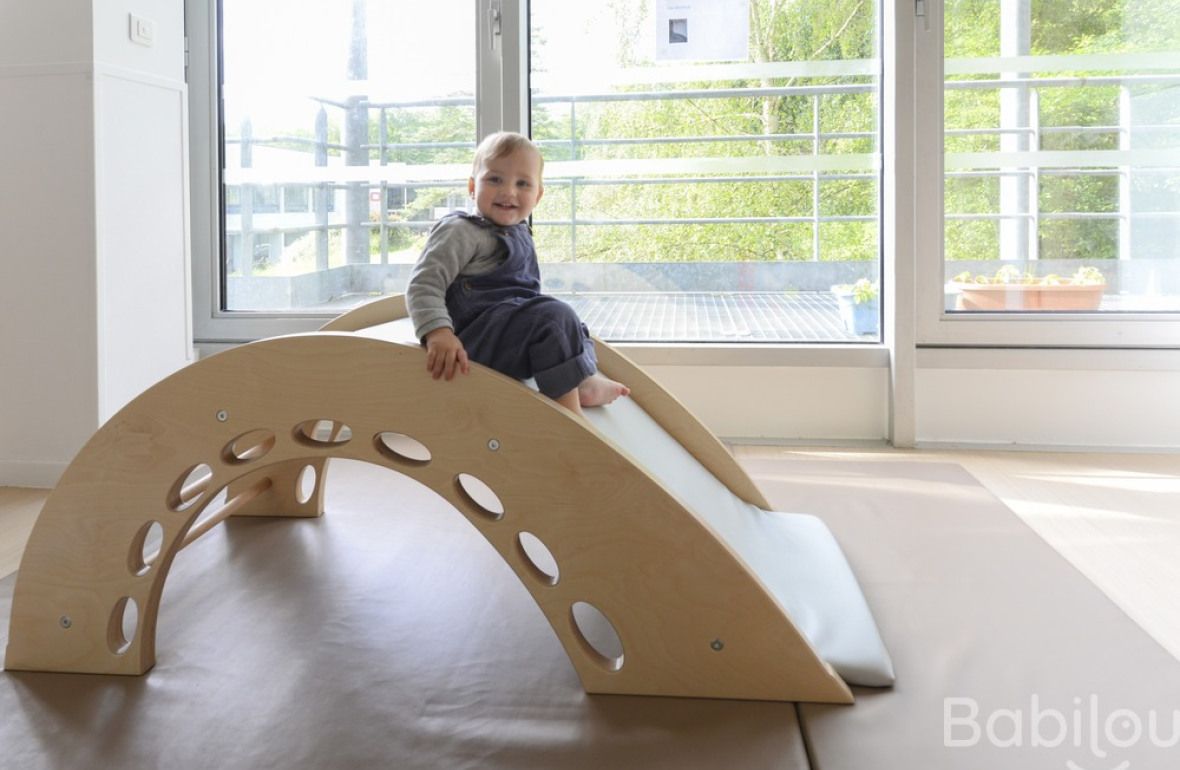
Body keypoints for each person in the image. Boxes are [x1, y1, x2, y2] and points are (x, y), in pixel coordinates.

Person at [405, 131, 629, 417]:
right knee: (554, 317)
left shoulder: (519, 231)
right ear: (472, 186)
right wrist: (438, 333)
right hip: (472, 342)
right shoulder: (460, 231)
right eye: (494, 179)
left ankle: (582, 380)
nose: (508, 192)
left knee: (569, 322)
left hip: (509, 337)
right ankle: (569, 416)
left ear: (538, 195)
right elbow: (423, 285)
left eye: (522, 183)